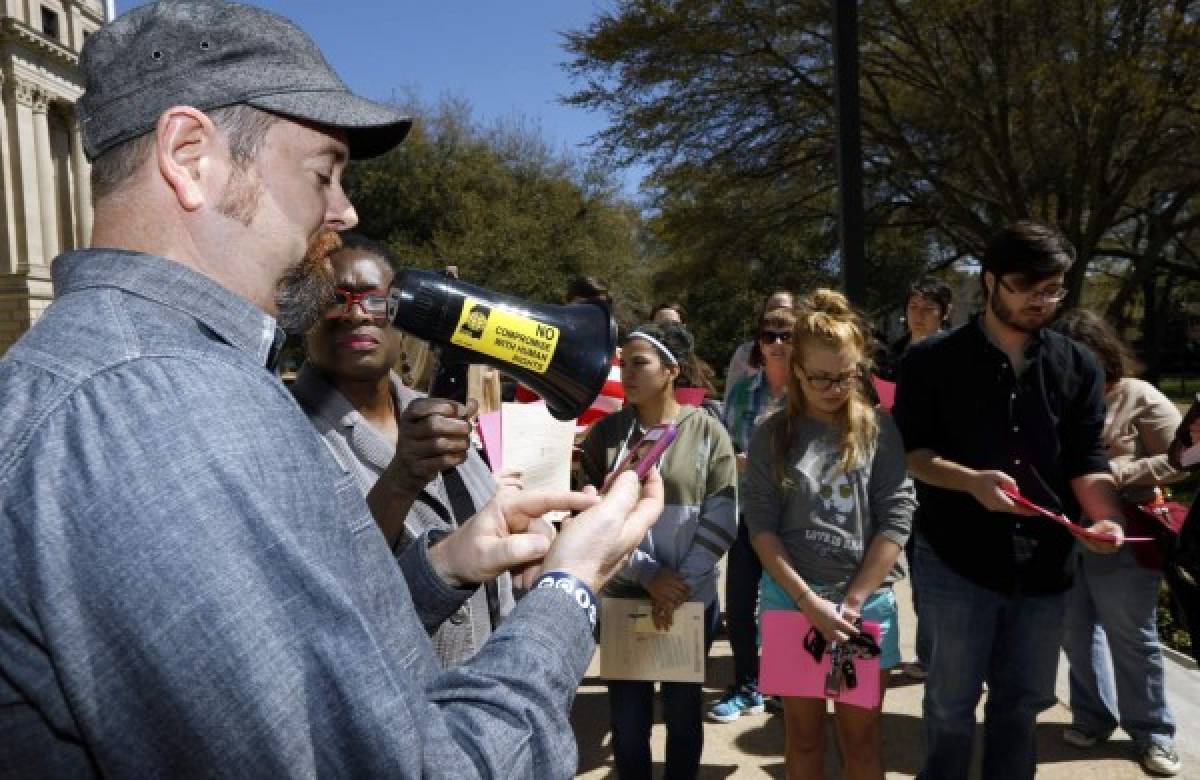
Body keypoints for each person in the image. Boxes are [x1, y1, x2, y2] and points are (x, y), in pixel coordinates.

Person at [0, 2, 663, 776]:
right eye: (323, 172)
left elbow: (294, 672)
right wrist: (569, 590)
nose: (343, 212)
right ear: (189, 154)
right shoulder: (167, 407)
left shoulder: (118, 378)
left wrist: (441, 568)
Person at [892, 220, 1126, 780]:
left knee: (1021, 707)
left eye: (1054, 289)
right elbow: (913, 454)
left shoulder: (1078, 365)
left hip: (1046, 565)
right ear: (992, 280)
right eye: (1028, 286)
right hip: (956, 558)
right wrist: (971, 480)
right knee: (950, 706)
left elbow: (1087, 461)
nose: (1042, 301)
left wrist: (1105, 519)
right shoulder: (932, 360)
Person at [293, 234, 514, 667]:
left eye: (377, 300)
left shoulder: (438, 412)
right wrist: (402, 477)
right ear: (305, 320)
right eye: (335, 300)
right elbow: (325, 585)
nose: (357, 315)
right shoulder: (285, 431)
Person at [744, 289, 915, 779]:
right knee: (802, 739)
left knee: (861, 743)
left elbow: (896, 519)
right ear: (796, 369)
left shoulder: (878, 429)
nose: (834, 388)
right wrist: (806, 601)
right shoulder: (771, 434)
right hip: (791, 602)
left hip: (861, 607)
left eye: (845, 376)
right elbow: (762, 527)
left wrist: (853, 605)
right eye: (821, 377)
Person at [579, 322, 738, 780]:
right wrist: (647, 574)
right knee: (629, 723)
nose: (626, 374)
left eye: (640, 364)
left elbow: (723, 515)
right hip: (624, 596)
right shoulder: (606, 436)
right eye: (622, 364)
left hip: (690, 600)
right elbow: (592, 518)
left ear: (671, 370)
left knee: (684, 715)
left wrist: (679, 583)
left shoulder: (709, 433)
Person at [1051, 310, 1182, 777]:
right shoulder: (1057, 397)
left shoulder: (1139, 396)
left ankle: (1153, 734)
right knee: (1075, 632)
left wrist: (1113, 475)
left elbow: (1181, 459)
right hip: (1066, 533)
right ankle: (1092, 717)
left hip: (1126, 534)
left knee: (1132, 637)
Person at [707, 305, 796, 723]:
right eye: (769, 336)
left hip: (794, 518)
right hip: (747, 514)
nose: (778, 343)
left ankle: (785, 686)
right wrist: (735, 461)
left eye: (787, 335)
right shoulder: (743, 391)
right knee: (740, 605)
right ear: (758, 345)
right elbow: (724, 442)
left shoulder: (810, 391)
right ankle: (747, 684)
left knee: (786, 605)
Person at [875, 276, 953, 382]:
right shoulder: (893, 355)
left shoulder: (956, 355)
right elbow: (886, 395)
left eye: (928, 309)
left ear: (946, 312)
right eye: (913, 307)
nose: (918, 315)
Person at [723, 289, 794, 404]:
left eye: (784, 309)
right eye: (772, 309)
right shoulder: (744, 353)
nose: (777, 342)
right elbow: (730, 398)